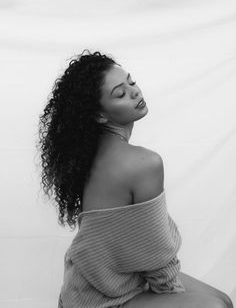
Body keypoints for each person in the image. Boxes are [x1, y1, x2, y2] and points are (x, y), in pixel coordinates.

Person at [37, 50, 234, 308]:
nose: (135, 92)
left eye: (131, 82)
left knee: (222, 299)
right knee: (217, 306)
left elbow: (130, 244)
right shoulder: (144, 164)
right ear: (100, 115)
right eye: (120, 93)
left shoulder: (87, 156)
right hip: (98, 299)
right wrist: (177, 295)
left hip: (99, 283)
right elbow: (157, 258)